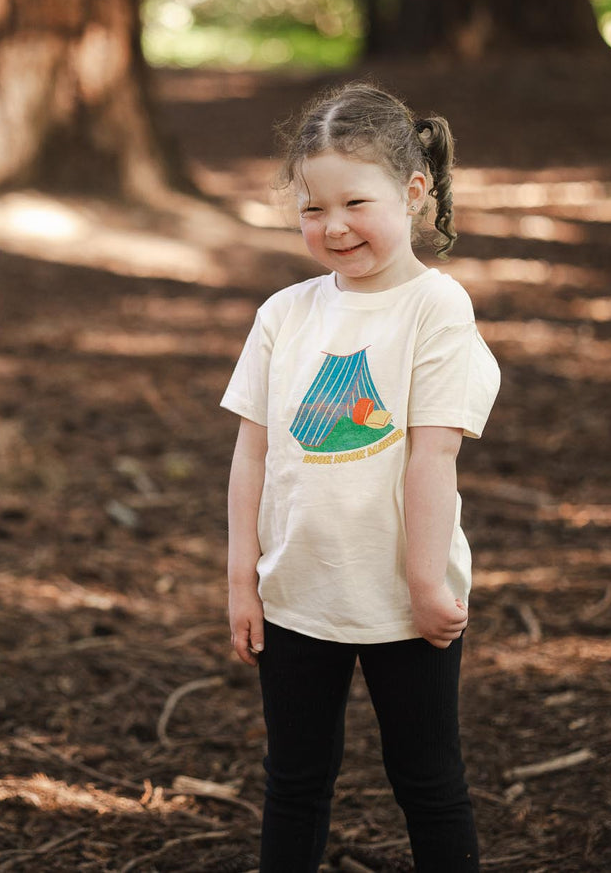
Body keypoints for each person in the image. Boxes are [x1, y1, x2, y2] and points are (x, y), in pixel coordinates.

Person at [222, 82, 500, 872]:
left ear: (413, 194)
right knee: (295, 780)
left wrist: (422, 581)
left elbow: (431, 454)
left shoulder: (434, 309)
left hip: (403, 602)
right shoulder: (285, 313)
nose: (333, 226)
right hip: (296, 595)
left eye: (355, 202)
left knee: (427, 779)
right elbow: (252, 451)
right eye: (312, 209)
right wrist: (243, 579)